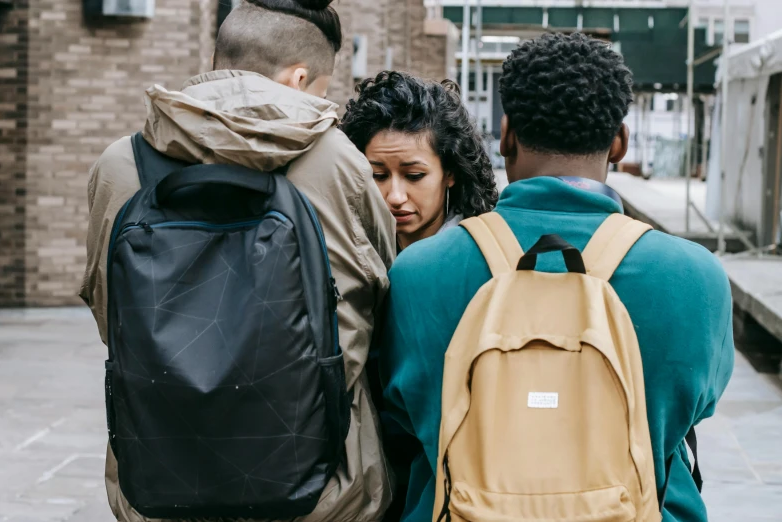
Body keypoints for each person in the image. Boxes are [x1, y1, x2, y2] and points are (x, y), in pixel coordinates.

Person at [380, 33, 734, 522]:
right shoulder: (697, 280)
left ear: (505, 135)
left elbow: (400, 417)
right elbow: (691, 412)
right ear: (619, 143)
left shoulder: (416, 274)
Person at [79, 0, 395, 520]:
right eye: (321, 89)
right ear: (298, 77)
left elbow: (106, 308)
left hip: (162, 479)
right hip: (321, 487)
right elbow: (379, 295)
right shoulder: (339, 162)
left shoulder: (120, 164)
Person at [340, 71, 498, 251]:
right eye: (378, 175)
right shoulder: (347, 252)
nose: (396, 197)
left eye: (414, 176)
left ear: (450, 172)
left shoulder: (481, 255)